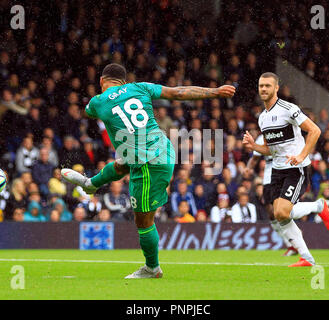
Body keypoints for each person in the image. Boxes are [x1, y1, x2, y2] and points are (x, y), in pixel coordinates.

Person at [62, 63, 235, 278]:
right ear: (124, 80)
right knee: (123, 162)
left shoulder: (97, 101)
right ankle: (91, 184)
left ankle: (152, 268)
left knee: (143, 221)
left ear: (101, 81)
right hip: (163, 150)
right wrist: (215, 92)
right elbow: (177, 92)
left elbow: (88, 113)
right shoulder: (140, 87)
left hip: (147, 163)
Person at [243, 72, 329, 267]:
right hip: (277, 169)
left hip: (296, 168)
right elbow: (269, 149)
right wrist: (253, 146)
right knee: (279, 215)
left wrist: (301, 155)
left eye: (268, 85)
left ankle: (319, 206)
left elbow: (315, 130)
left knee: (283, 212)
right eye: (261, 86)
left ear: (276, 88)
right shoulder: (262, 118)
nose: (264, 89)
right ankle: (307, 258)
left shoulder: (288, 109)